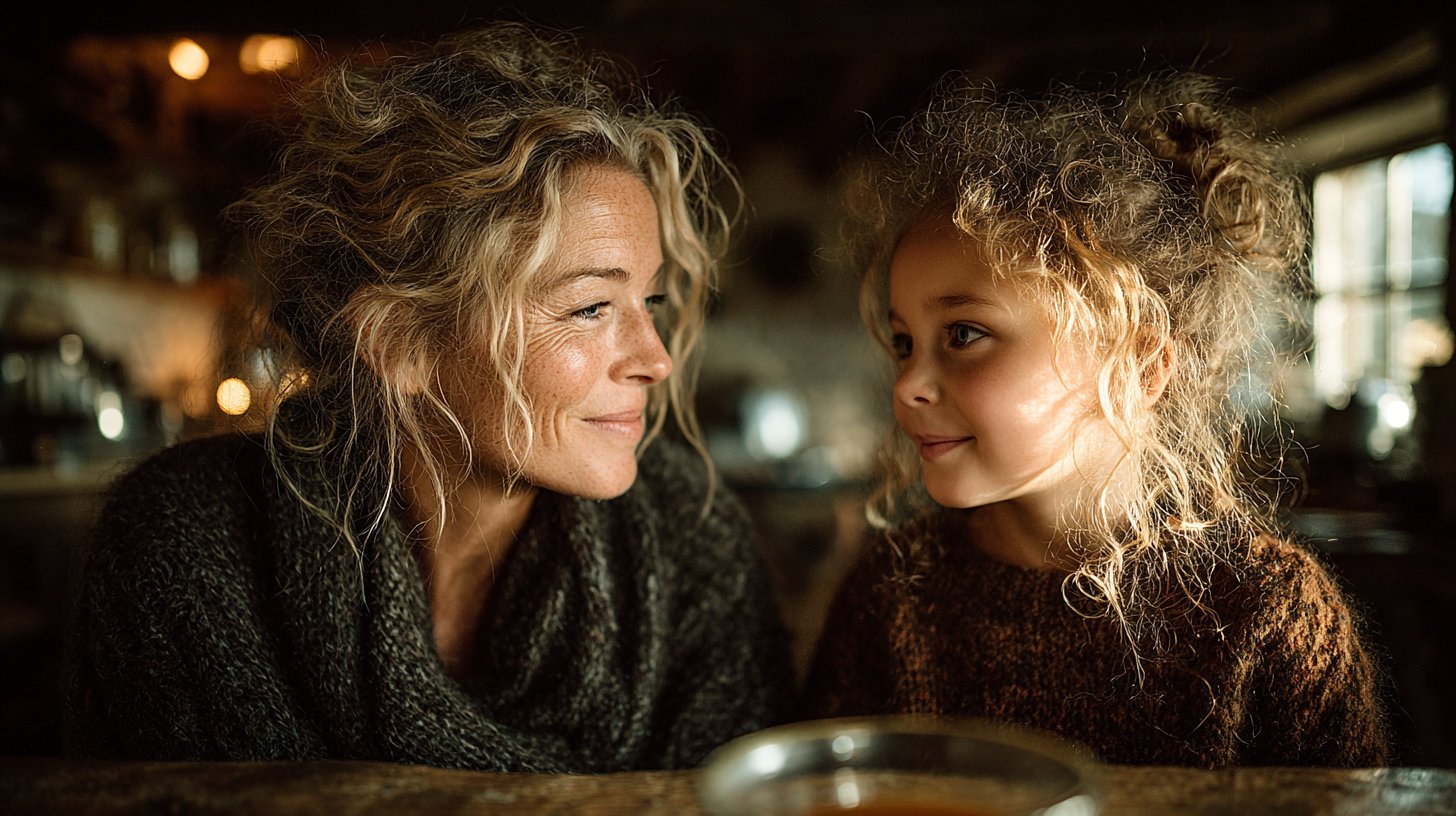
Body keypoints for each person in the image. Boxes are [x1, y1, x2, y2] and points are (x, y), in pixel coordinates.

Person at [64, 22, 794, 771]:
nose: (656, 360)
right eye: (590, 309)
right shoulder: (184, 552)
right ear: (400, 341)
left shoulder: (694, 547)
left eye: (652, 301)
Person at [804, 72, 1390, 767]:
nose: (907, 386)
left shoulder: (1269, 617)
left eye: (963, 334)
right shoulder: (893, 597)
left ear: (1140, 364)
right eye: (904, 342)